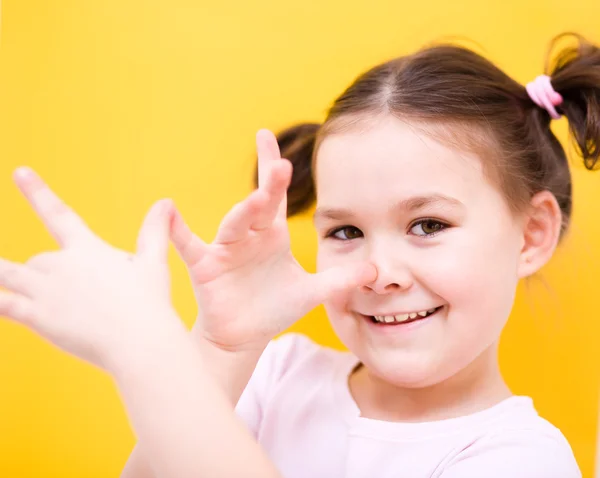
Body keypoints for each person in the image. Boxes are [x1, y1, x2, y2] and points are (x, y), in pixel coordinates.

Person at [123, 33, 596, 477]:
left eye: (428, 225)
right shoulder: (275, 375)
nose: (379, 274)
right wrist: (220, 348)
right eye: (346, 231)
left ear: (531, 235)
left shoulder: (522, 458)